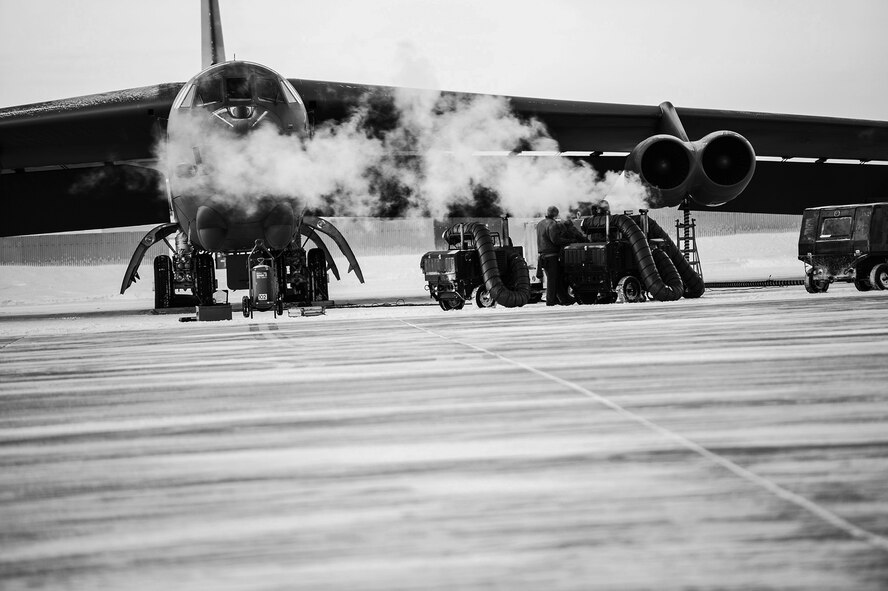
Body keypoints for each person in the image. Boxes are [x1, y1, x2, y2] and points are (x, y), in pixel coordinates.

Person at [536, 206, 574, 306]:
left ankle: (564, 299)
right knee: (552, 280)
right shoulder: (552, 224)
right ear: (555, 214)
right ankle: (550, 302)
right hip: (551, 256)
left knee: (554, 279)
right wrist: (570, 241)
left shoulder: (540, 224)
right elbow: (556, 240)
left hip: (543, 256)